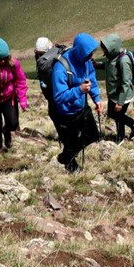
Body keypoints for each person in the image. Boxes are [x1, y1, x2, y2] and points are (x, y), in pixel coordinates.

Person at [50, 32, 103, 173]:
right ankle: (69, 164)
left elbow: (91, 78)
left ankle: (65, 157)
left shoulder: (86, 61)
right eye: (88, 53)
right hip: (67, 113)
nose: (91, 57)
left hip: (82, 107)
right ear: (80, 51)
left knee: (93, 136)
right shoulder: (60, 68)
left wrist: (96, 98)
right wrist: (79, 90)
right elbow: (59, 97)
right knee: (72, 144)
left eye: (91, 53)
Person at [101, 33, 134, 142]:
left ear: (112, 48)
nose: (104, 51)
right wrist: (96, 65)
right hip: (114, 93)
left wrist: (120, 102)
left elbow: (126, 82)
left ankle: (122, 136)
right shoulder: (112, 56)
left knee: (118, 115)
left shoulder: (123, 60)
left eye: (105, 49)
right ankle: (132, 126)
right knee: (112, 113)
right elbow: (108, 65)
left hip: (122, 95)